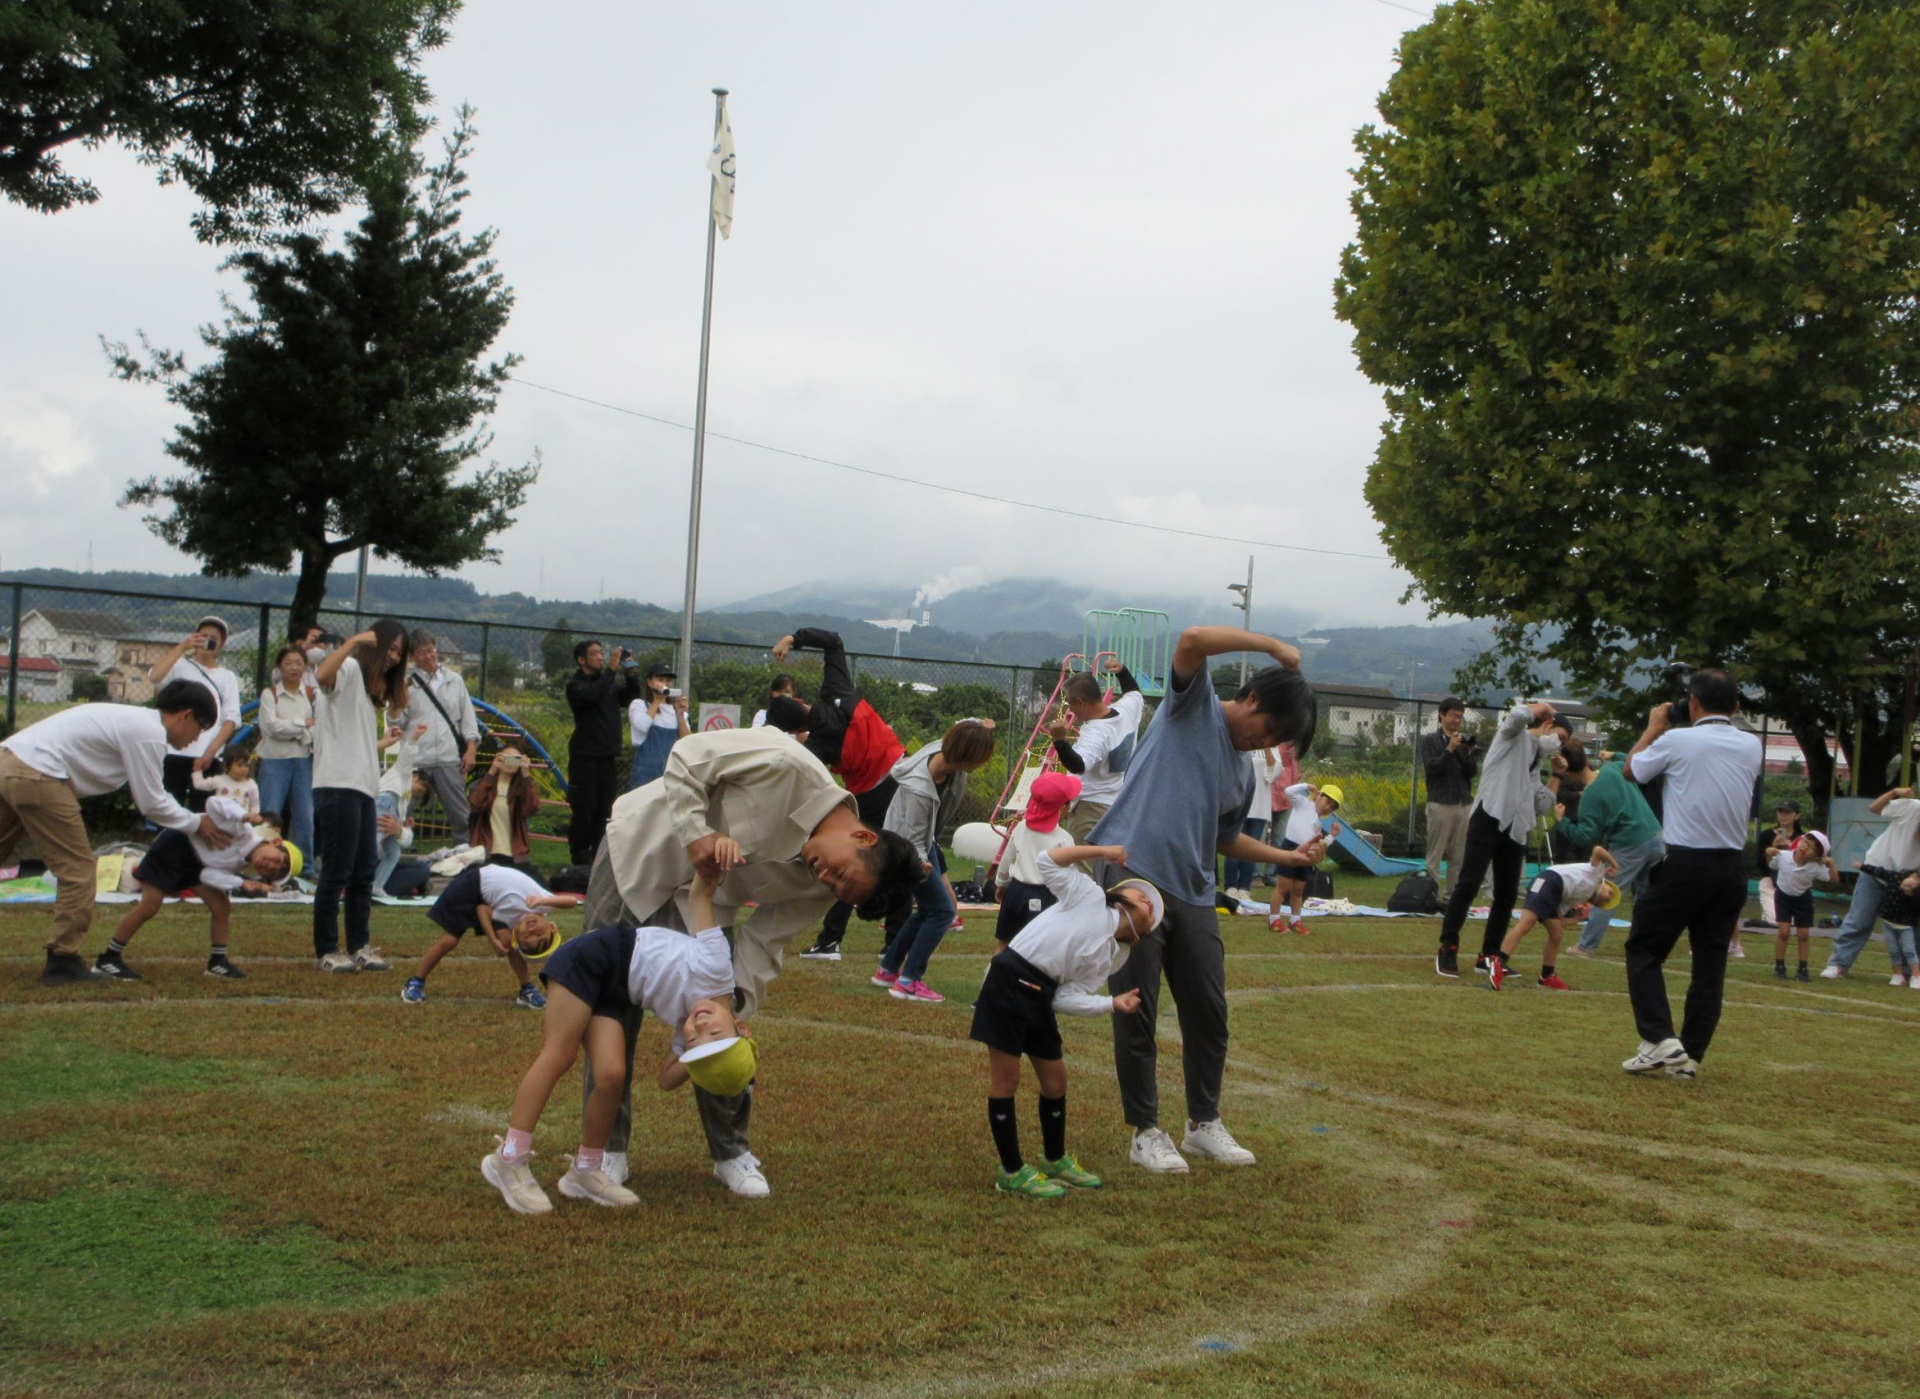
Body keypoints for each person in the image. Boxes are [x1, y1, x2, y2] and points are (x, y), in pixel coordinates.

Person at [581, 726, 924, 1195]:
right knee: (610, 1006)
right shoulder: (786, 763)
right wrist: (695, 832)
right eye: (841, 874)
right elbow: (687, 755)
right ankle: (606, 1150)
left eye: (838, 890)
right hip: (641, 856)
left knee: (725, 1032)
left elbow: (762, 945)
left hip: (705, 906)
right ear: (863, 836)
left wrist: (732, 1011)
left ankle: (731, 1153)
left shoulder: (822, 889)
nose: (828, 881)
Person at [1090, 626, 1322, 1175]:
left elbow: (1224, 838)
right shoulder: (1191, 707)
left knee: (1209, 1012)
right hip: (1135, 873)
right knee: (1136, 1008)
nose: (1262, 744)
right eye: (1267, 730)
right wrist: (1272, 647)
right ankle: (1146, 1131)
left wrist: (1288, 860)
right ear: (1253, 698)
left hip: (1193, 890)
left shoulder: (1242, 774)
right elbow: (1192, 638)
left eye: (1274, 743)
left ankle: (1202, 1124)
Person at [480, 868, 760, 1214]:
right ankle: (509, 1157)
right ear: (740, 1026)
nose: (699, 1026)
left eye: (696, 1039)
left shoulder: (686, 1030)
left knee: (611, 1075)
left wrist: (698, 1058)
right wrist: (712, 868)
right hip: (593, 958)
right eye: (714, 1033)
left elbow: (665, 1079)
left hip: (616, 990)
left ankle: (585, 1170)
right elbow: (699, 896)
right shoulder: (718, 968)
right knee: (559, 1054)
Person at [971, 845, 1160, 1198]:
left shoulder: (1112, 957)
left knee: (1056, 1081)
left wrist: (1111, 1003)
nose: (1148, 899)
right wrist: (1102, 851)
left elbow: (1064, 998)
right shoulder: (1088, 896)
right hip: (1008, 980)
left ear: (1139, 935)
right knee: (1006, 1080)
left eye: (1153, 907)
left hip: (1041, 994)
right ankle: (1011, 1172)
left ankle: (1054, 1159)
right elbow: (1046, 860)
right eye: (1142, 893)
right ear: (1120, 896)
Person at [1, 684, 221, 985]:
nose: (198, 738)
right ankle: (63, 961)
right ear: (186, 716)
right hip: (40, 773)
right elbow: (151, 802)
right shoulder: (149, 732)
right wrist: (197, 823)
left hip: (9, 762)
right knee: (78, 871)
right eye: (201, 728)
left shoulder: (134, 721)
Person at [1619, 668, 1764, 1081]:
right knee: (1710, 963)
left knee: (1644, 949)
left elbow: (1632, 770)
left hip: (1685, 863)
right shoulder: (1751, 745)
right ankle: (1690, 1057)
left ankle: (1660, 1039)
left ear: (1692, 703)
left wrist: (1653, 728)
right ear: (1736, 707)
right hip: (1733, 869)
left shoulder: (1677, 739)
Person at [770, 627, 910, 961]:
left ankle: (831, 941)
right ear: (801, 701)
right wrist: (792, 638)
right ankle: (894, 947)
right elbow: (834, 640)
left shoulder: (815, 748)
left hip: (870, 795)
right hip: (902, 773)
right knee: (899, 861)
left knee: (850, 861)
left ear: (796, 731)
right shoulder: (839, 692)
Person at [92, 794, 297, 982]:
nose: (271, 866)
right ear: (275, 842)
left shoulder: (241, 863)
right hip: (175, 845)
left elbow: (206, 875)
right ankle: (108, 958)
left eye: (275, 872)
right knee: (149, 907)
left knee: (221, 905)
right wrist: (244, 815)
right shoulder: (242, 830)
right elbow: (214, 803)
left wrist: (240, 883)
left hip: (195, 862)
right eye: (278, 859)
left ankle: (217, 962)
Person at [1432, 703, 1568, 979]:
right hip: (1488, 816)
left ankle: (1489, 955)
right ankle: (1448, 947)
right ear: (1545, 725)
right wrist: (1542, 707)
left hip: (1515, 828)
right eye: (1558, 736)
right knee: (1468, 884)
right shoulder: (1513, 737)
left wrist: (1557, 776)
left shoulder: (1536, 758)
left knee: (1506, 895)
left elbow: (1541, 806)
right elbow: (1517, 715)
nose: (1558, 744)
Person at [874, 719, 1001, 1003]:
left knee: (932, 908)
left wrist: (981, 726)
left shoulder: (943, 750)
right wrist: (922, 863)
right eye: (980, 759)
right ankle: (908, 981)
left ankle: (888, 970)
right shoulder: (920, 788)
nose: (982, 765)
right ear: (965, 756)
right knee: (943, 912)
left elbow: (961, 727)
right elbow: (913, 838)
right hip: (905, 847)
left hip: (922, 840)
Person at [312, 620, 409, 974]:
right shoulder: (350, 668)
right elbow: (322, 675)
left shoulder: (369, 697)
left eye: (400, 652)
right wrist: (353, 642)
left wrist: (383, 744)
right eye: (391, 649)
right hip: (337, 784)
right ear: (375, 643)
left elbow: (351, 738)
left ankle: (358, 946)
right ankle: (327, 948)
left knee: (363, 870)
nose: (394, 658)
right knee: (337, 871)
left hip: (364, 787)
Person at [402, 862, 580, 1008]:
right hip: (471, 883)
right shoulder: (543, 905)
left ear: (519, 933)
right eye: (540, 933)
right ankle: (415, 982)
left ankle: (527, 989)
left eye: (526, 937)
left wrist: (493, 939)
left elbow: (483, 909)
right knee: (449, 940)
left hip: (487, 899)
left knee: (506, 943)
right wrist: (542, 900)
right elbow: (573, 901)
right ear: (552, 926)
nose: (532, 930)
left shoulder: (509, 916)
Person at [1553, 751, 1665, 957]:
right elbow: (1633, 760)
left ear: (1568, 774)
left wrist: (1562, 822)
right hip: (1656, 835)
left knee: (1606, 895)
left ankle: (1586, 946)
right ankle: (1647, 946)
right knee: (1647, 897)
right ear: (1587, 761)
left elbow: (1585, 836)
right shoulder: (1614, 769)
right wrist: (1615, 754)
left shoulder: (1589, 796)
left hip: (1629, 843)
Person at [1819, 786, 1920, 979]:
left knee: (1912, 927)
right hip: (1877, 870)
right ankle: (1838, 964)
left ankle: (1911, 973)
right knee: (1859, 920)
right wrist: (1894, 793)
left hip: (1908, 884)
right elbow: (1874, 808)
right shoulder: (1912, 808)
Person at [146, 616, 243, 813]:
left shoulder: (227, 677)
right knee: (168, 809)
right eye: (203, 636)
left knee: (204, 811)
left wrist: (211, 752)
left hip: (207, 754)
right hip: (173, 751)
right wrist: (182, 647)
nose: (208, 641)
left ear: (222, 643)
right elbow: (155, 677)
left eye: (214, 638)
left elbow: (231, 719)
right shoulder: (180, 665)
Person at [1488, 848, 1620, 990]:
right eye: (1610, 893)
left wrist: (1576, 919)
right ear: (1604, 883)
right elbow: (1598, 850)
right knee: (1526, 923)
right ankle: (1499, 962)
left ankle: (1547, 975)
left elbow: (1557, 921)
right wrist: (1614, 865)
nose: (1608, 898)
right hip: (1550, 881)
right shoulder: (1596, 875)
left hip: (1552, 888)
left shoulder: (1579, 897)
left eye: (1606, 903)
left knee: (1556, 934)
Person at [1046, 658, 1145, 843]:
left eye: (1071, 704)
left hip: (1090, 810)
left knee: (1082, 867)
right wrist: (1122, 671)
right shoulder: (1125, 712)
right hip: (1118, 804)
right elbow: (1134, 693)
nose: (1071, 710)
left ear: (1080, 702)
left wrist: (1059, 741)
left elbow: (1079, 765)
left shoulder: (1096, 733)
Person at [564, 640, 642, 864]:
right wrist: (611, 670)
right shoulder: (576, 685)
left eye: (601, 653)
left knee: (605, 809)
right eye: (595, 653)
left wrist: (630, 674)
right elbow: (592, 696)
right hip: (585, 757)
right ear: (582, 660)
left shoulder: (605, 682)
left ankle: (598, 856)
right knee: (584, 808)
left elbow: (629, 697)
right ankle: (579, 856)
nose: (601, 657)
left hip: (607, 756)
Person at [992, 772, 1080, 952]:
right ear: (1062, 808)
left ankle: (994, 978)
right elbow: (1069, 876)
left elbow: (1007, 859)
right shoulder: (1064, 839)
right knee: (1040, 948)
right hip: (1045, 895)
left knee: (1004, 942)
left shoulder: (1021, 828)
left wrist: (1001, 884)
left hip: (1015, 892)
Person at [404, 629, 480, 837]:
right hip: (417, 760)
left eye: (430, 650)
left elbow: (467, 718)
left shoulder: (454, 680)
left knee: (460, 817)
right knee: (400, 813)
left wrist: (470, 750)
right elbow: (397, 721)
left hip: (448, 757)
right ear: (412, 657)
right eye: (421, 653)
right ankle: (384, 857)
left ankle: (468, 860)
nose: (428, 656)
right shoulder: (407, 684)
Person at [255, 644, 317, 856]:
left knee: (305, 817)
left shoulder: (312, 694)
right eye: (289, 663)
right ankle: (263, 858)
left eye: (299, 663)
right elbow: (272, 728)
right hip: (274, 761)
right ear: (279, 667)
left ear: (306, 667)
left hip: (303, 762)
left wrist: (293, 728)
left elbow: (318, 727)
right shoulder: (269, 694)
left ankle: (304, 866)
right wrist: (302, 726)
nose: (294, 668)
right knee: (269, 814)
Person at [1265, 781, 1343, 934]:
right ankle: (1274, 919)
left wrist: (1332, 836)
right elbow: (1288, 790)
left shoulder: (1318, 824)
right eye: (1327, 801)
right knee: (1283, 886)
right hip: (1290, 847)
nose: (1327, 807)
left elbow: (1319, 845)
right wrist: (1307, 786)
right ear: (1319, 796)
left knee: (1298, 890)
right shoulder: (1303, 803)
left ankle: (1295, 920)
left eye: (1332, 807)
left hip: (1305, 854)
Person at [1421, 699, 1478, 899]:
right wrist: (1449, 749)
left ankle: (1452, 898)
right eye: (1453, 715)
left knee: (1458, 856)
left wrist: (1470, 754)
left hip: (1463, 802)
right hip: (1441, 802)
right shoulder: (1430, 740)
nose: (1457, 720)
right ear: (1441, 715)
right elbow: (1433, 769)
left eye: (1460, 717)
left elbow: (1470, 774)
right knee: (1435, 854)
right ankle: (1430, 895)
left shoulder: (1462, 742)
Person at [1768, 831, 1836, 983]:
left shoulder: (1815, 867)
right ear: (1799, 841)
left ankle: (1803, 968)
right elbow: (1771, 863)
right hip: (1783, 896)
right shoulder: (1784, 856)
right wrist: (1770, 850)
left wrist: (1830, 863)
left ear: (1817, 855)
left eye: (1812, 848)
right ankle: (1779, 966)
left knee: (1803, 934)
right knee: (1784, 932)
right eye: (1804, 842)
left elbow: (1833, 878)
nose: (1805, 847)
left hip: (1802, 899)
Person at [372, 724, 428, 897]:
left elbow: (405, 840)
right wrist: (414, 738)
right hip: (385, 801)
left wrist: (403, 828)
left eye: (418, 796)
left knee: (394, 852)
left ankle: (376, 885)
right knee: (372, 845)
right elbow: (407, 755)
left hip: (392, 811)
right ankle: (357, 882)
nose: (415, 795)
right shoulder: (404, 773)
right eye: (418, 789)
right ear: (416, 776)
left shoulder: (403, 801)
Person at [468, 742, 543, 872]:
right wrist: (492, 770)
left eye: (516, 759)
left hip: (515, 856)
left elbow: (533, 807)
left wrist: (526, 774)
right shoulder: (484, 785)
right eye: (507, 757)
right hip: (487, 853)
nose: (510, 762)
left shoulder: (522, 789)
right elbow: (475, 804)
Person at [1221, 747, 1281, 902]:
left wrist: (1267, 749)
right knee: (1233, 844)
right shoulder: (1245, 745)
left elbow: (1273, 775)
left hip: (1260, 807)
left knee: (1252, 848)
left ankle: (1245, 888)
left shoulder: (1273, 747)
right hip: (1239, 805)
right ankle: (1230, 886)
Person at [626, 662, 690, 791]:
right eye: (660, 680)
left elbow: (686, 740)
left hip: (671, 771)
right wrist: (657, 700)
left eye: (668, 680)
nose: (665, 683)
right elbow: (642, 726)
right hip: (645, 772)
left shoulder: (676, 710)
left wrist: (681, 714)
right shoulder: (639, 705)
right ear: (650, 682)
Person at [1865, 867, 1920, 988]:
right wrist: (1863, 867)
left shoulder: (1917, 894)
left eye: (1910, 888)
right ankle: (1897, 975)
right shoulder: (1896, 877)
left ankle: (1916, 976)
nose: (1904, 888)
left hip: (1906, 927)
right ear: (1915, 876)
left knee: (1909, 951)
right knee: (1893, 950)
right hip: (1888, 923)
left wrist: (1911, 894)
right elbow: (1881, 872)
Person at [1754, 800, 1803, 928]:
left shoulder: (1803, 838)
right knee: (1778, 921)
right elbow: (1760, 864)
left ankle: (1771, 912)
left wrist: (1790, 848)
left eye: (1788, 812)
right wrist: (1773, 848)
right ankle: (1769, 912)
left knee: (1796, 921)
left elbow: (1806, 864)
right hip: (1771, 881)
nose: (1783, 815)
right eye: (1780, 812)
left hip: (1794, 884)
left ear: (1797, 816)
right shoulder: (1767, 835)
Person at [193, 750, 261, 818]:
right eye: (239, 765)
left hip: (240, 822)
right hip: (220, 820)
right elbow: (199, 784)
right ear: (225, 766)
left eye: (247, 765)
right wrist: (197, 771)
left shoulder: (251, 784)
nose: (244, 769)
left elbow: (255, 804)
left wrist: (252, 815)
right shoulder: (219, 780)